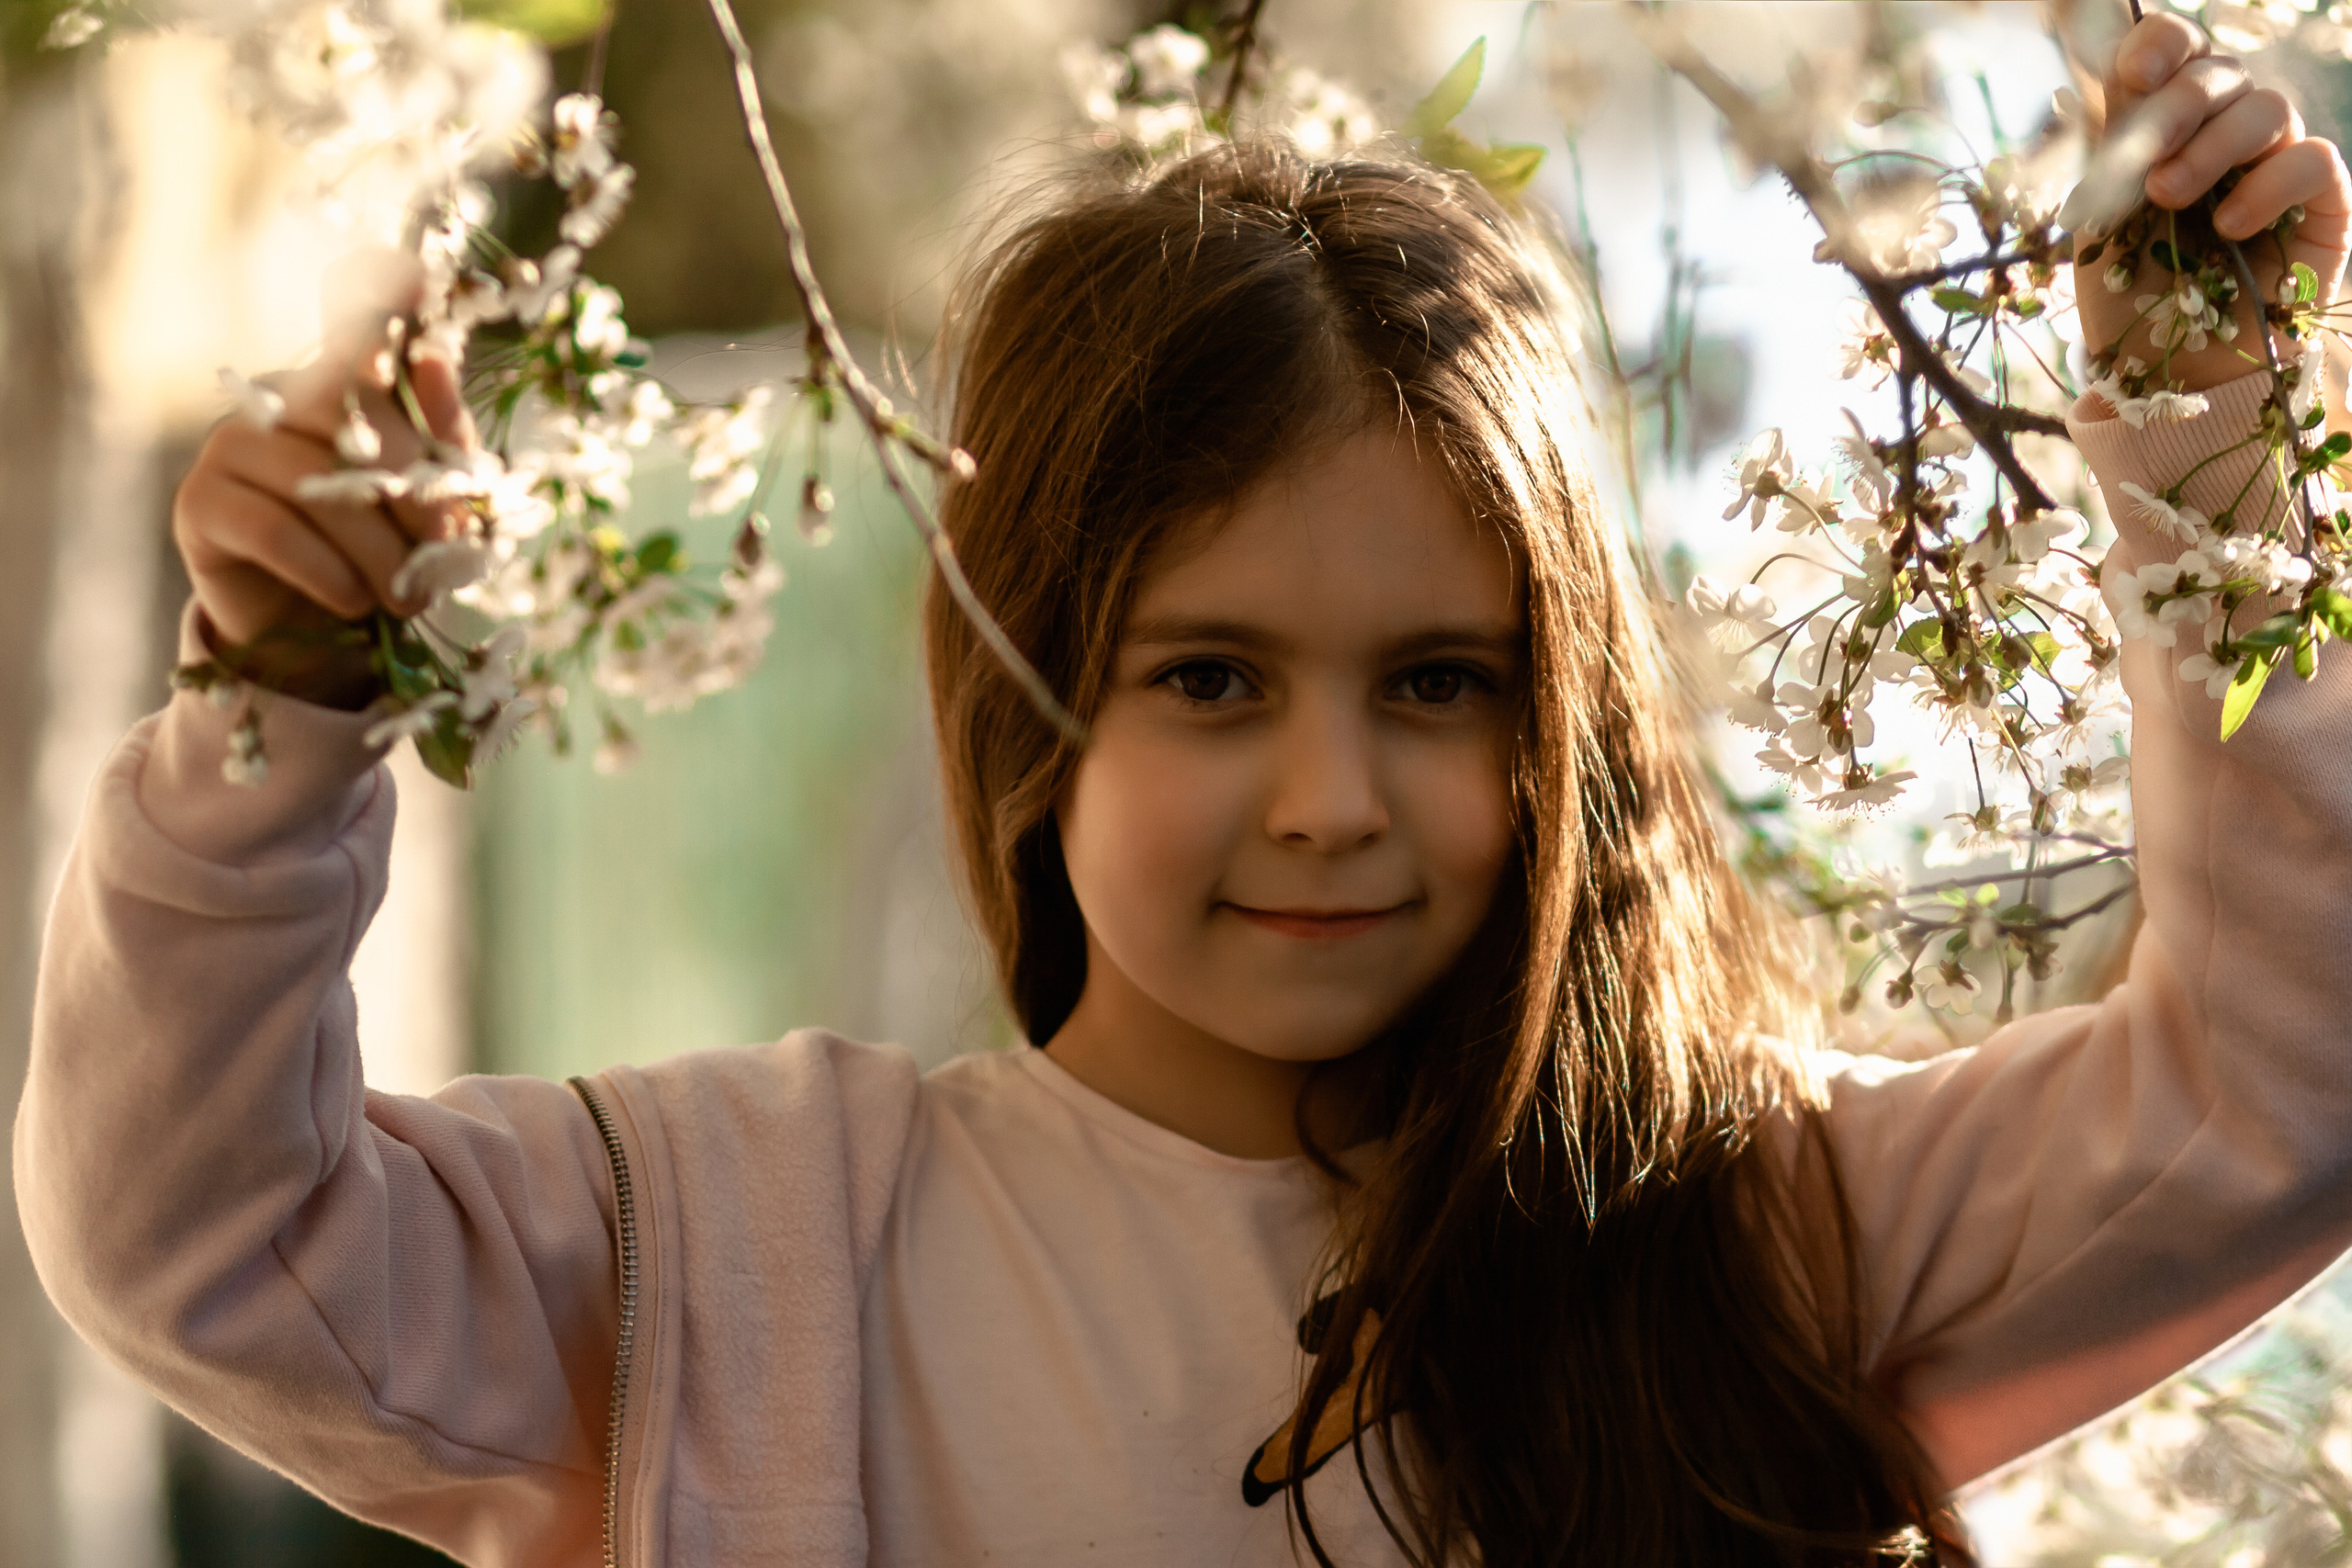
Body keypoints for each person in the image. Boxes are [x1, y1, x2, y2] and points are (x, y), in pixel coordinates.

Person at [16, 12, 2352, 1566]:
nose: (1330, 793)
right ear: (1027, 691)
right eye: (1210, 677)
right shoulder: (740, 1242)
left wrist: (2219, 472)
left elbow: (2280, 1077)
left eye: (1438, 682)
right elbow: (205, 1233)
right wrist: (283, 702)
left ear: (1565, 717)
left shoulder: (1735, 1223)